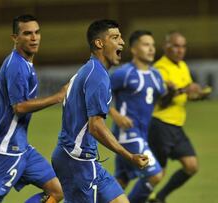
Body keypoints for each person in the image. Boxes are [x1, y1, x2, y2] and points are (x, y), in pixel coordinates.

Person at [51, 19, 149, 203]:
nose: (122, 42)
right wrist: (129, 156)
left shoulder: (89, 70)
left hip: (84, 159)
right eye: (115, 37)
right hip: (77, 161)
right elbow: (95, 126)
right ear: (99, 43)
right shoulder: (97, 75)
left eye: (120, 37)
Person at [0, 14, 66, 203]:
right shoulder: (16, 66)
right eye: (27, 33)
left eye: (37, 32)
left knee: (57, 190)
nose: (34, 38)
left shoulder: (17, 63)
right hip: (6, 150)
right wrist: (57, 97)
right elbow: (19, 107)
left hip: (22, 147)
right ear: (15, 38)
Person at [147, 31, 211, 203]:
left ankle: (160, 197)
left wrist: (198, 94)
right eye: (176, 46)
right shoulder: (160, 69)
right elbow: (162, 101)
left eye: (183, 46)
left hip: (175, 126)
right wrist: (184, 90)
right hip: (159, 124)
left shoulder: (182, 65)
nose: (180, 50)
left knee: (191, 166)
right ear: (166, 47)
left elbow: (186, 94)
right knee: (156, 174)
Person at [108, 30, 165, 203]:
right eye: (146, 44)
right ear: (133, 49)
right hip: (128, 134)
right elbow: (99, 94)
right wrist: (115, 114)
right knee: (155, 175)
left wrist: (183, 92)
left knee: (120, 183)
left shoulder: (156, 76)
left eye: (153, 45)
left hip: (142, 134)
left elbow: (161, 100)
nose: (151, 49)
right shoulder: (123, 73)